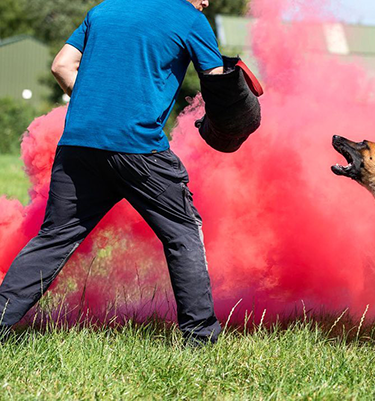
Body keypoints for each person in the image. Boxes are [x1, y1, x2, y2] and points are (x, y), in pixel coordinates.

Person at [0, 0, 223, 344]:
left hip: (77, 146)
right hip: (139, 149)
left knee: (54, 238)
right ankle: (200, 337)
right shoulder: (190, 19)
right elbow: (218, 84)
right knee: (182, 232)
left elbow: (62, 65)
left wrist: (94, 101)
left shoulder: (105, 9)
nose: (206, 2)